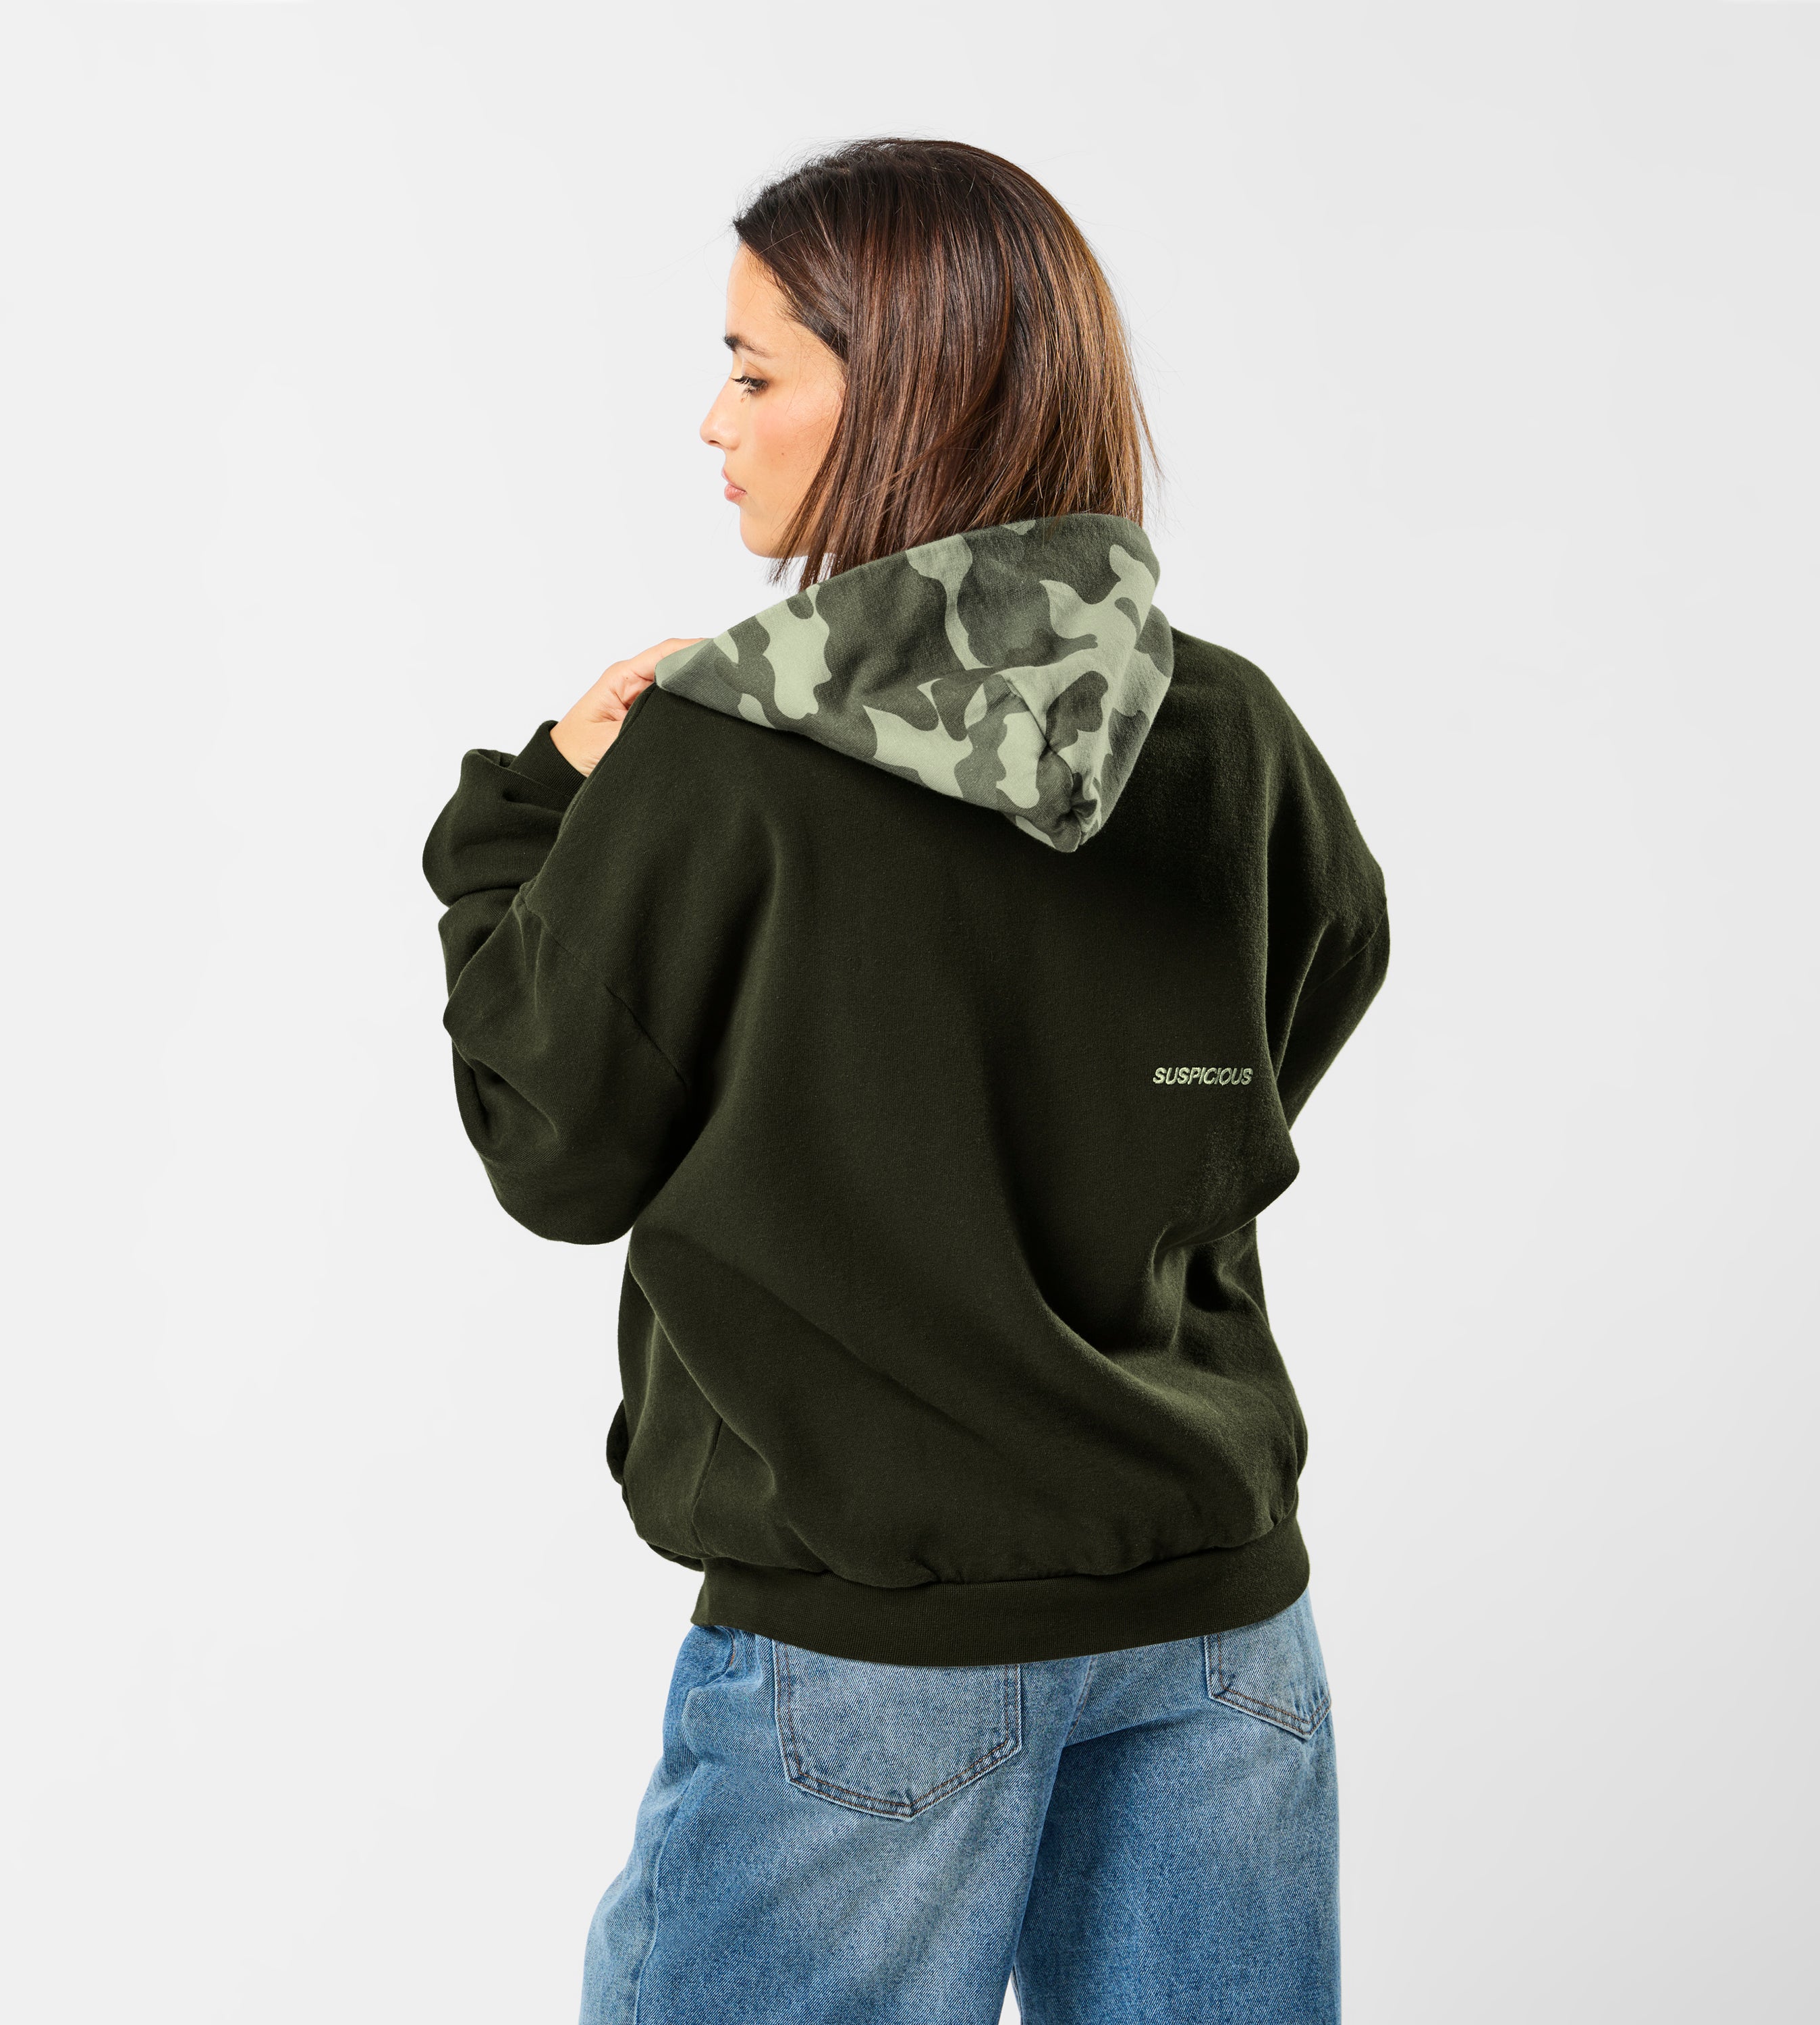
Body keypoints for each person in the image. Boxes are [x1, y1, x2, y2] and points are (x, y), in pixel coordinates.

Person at [421, 137, 1388, 2025]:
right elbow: (1312, 987)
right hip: (1220, 1622)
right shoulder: (1229, 729)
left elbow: (553, 1144)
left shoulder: (724, 758)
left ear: (909, 399)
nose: (715, 423)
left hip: (875, 1650)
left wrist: (528, 813)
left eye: (754, 370)